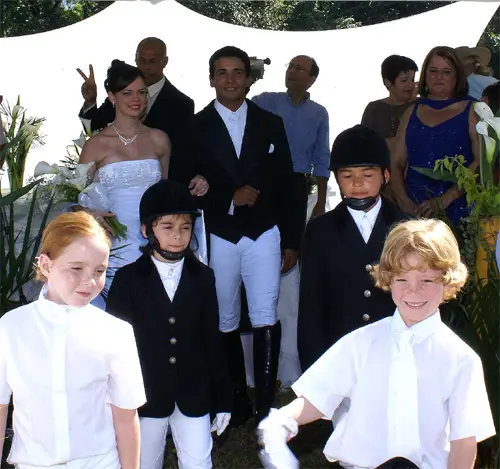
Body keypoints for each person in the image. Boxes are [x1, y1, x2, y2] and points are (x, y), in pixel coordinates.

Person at [259, 218, 496, 469]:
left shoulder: (460, 359)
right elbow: (317, 397)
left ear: (447, 281)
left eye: (426, 280)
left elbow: (464, 443)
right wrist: (282, 421)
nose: (413, 290)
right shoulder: (361, 343)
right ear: (388, 279)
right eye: (402, 280)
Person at [193, 46, 303, 426]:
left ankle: (266, 405)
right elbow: (183, 182)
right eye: (222, 72)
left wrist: (291, 240)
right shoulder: (195, 126)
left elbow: (289, 183)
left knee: (264, 313)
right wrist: (228, 198)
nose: (230, 79)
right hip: (220, 233)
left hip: (264, 231)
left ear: (249, 78)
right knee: (224, 316)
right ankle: (235, 397)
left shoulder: (270, 123)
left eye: (237, 72)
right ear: (211, 79)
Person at [0, 211, 146, 469]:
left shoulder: (116, 332)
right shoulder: (11, 327)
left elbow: (126, 417)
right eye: (76, 268)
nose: (89, 281)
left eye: (100, 270)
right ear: (46, 265)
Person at [106, 180, 232, 469]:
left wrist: (224, 396)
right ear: (146, 230)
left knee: (199, 462)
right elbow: (116, 346)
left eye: (185, 227)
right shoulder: (127, 279)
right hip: (145, 396)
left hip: (193, 392)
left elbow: (211, 339)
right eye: (168, 227)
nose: (177, 235)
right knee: (144, 463)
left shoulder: (204, 277)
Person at [78, 60, 208, 308]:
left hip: (154, 238)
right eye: (127, 93)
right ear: (112, 96)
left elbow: (166, 194)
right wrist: (90, 214)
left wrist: (200, 179)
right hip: (114, 239)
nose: (136, 99)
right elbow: (76, 196)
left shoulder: (159, 139)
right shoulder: (95, 145)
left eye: (142, 92)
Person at [298, 125, 408, 371]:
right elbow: (311, 309)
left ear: (386, 175)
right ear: (337, 179)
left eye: (367, 175)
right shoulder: (319, 231)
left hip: (394, 357)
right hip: (340, 357)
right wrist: (315, 371)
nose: (357, 183)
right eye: (347, 176)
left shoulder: (407, 228)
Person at [77, 37, 196, 184]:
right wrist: (90, 101)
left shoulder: (182, 104)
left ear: (165, 62)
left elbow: (183, 156)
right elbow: (94, 128)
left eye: (152, 61)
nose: (146, 67)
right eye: (142, 60)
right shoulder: (119, 92)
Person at [391, 46, 480, 226]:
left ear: (457, 76)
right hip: (413, 211)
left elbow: (481, 163)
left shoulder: (473, 110)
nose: (439, 77)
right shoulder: (411, 111)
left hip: (458, 209)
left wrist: (447, 198)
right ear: (425, 75)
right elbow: (396, 162)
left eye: (446, 72)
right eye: (433, 71)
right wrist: (403, 200)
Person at [252, 55, 330, 223]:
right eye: (290, 66)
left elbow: (322, 159)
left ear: (312, 80)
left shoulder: (319, 113)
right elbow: (238, 109)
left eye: (299, 68)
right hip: (264, 181)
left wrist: (321, 201)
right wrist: (248, 78)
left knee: (293, 236)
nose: (292, 71)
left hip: (298, 184)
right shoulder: (265, 101)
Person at [361, 55, 418, 149]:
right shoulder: (374, 109)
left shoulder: (421, 106)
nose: (410, 85)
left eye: (412, 79)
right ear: (388, 82)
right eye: (404, 80)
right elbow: (364, 144)